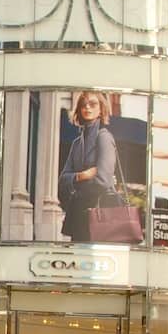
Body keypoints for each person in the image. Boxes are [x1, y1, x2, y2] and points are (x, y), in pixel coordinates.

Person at [58, 92, 119, 242]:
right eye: (83, 104)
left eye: (93, 104)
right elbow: (62, 180)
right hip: (79, 216)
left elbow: (103, 180)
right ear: (78, 110)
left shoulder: (104, 137)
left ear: (101, 109)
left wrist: (77, 188)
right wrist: (82, 176)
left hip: (101, 214)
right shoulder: (77, 144)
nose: (87, 108)